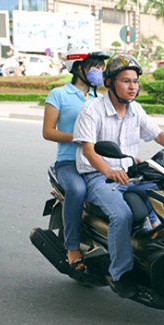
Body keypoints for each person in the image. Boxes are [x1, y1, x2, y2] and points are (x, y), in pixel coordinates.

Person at [73, 53, 164, 298]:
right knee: (121, 214)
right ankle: (120, 274)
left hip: (131, 174)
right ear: (110, 82)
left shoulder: (136, 111)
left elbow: (158, 135)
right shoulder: (92, 110)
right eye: (126, 81)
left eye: (135, 81)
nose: (132, 86)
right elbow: (88, 149)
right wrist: (109, 170)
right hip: (99, 177)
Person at [42, 46, 110, 279]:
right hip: (68, 162)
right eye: (94, 66)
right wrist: (79, 137)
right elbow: (48, 132)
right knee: (77, 189)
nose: (99, 71)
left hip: (94, 161)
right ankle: (72, 248)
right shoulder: (59, 95)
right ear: (78, 68)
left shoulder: (100, 99)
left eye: (101, 67)